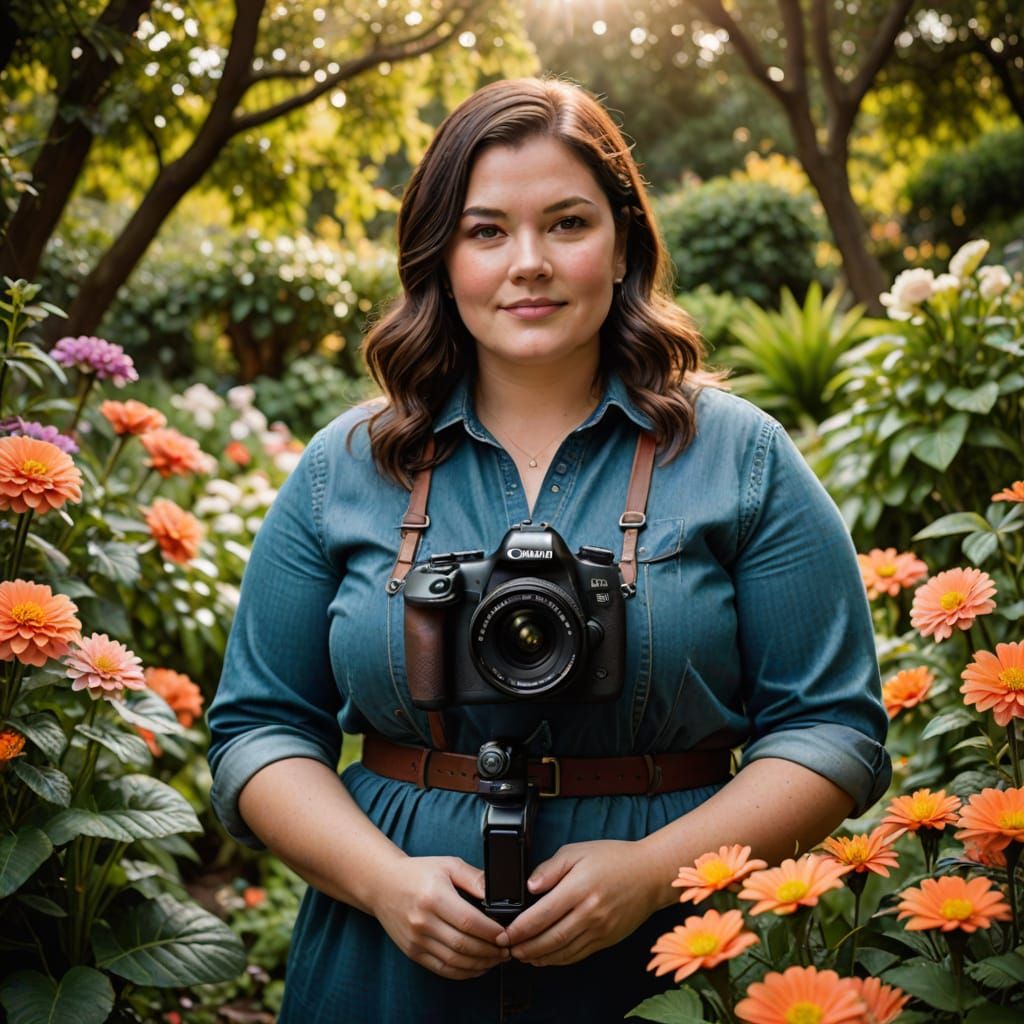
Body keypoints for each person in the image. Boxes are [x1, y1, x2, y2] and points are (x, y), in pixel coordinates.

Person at [206, 77, 891, 1023]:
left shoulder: (740, 457)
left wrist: (655, 874)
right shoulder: (345, 467)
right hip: (391, 958)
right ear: (441, 259)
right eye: (486, 231)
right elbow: (261, 727)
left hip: (675, 950)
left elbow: (832, 730)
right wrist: (381, 884)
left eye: (567, 223)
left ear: (622, 248)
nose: (528, 262)